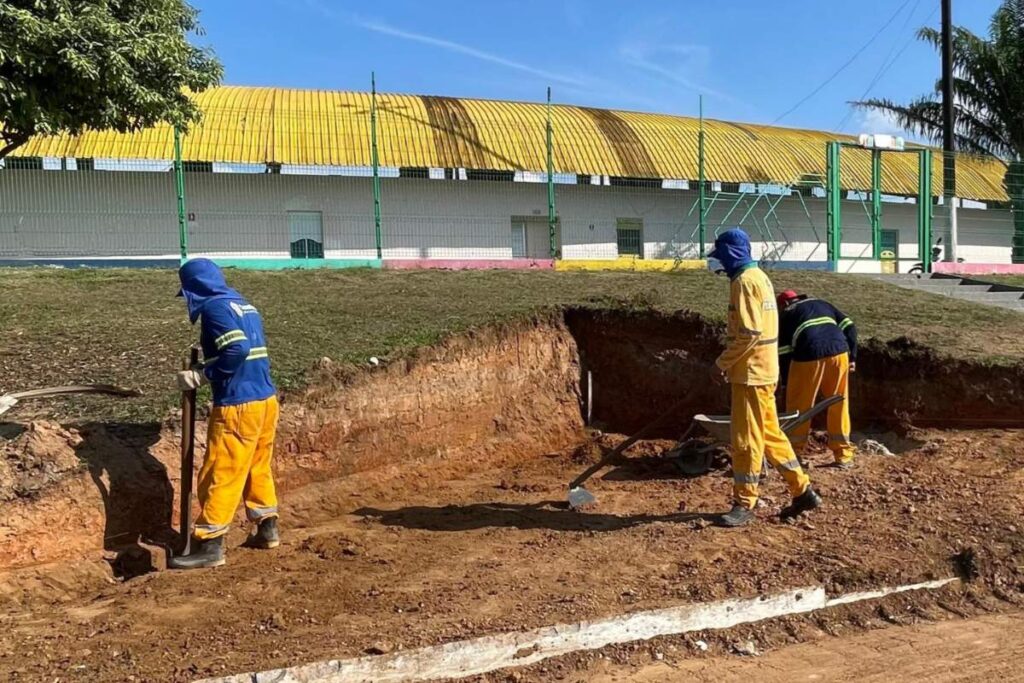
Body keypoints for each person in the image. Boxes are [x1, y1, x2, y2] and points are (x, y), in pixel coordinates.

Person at [170, 258, 280, 569]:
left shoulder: (215, 309)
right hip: (265, 400)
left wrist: (204, 375)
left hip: (238, 405)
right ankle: (267, 526)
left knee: (222, 470)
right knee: (257, 466)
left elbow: (237, 349)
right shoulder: (244, 305)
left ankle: (210, 544)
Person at [708, 229, 821, 527]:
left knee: (746, 439)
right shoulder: (760, 277)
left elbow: (748, 332)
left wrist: (722, 362)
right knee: (770, 434)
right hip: (766, 371)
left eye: (721, 258)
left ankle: (744, 502)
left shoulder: (744, 282)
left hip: (751, 374)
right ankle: (802, 490)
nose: (720, 265)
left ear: (731, 254)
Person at [777, 289, 857, 469]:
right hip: (839, 352)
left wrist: (785, 383)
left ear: (783, 304)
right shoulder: (823, 303)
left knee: (800, 406)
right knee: (839, 403)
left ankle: (794, 453)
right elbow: (850, 327)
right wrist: (852, 357)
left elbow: (783, 354)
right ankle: (843, 456)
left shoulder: (786, 315)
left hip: (808, 355)